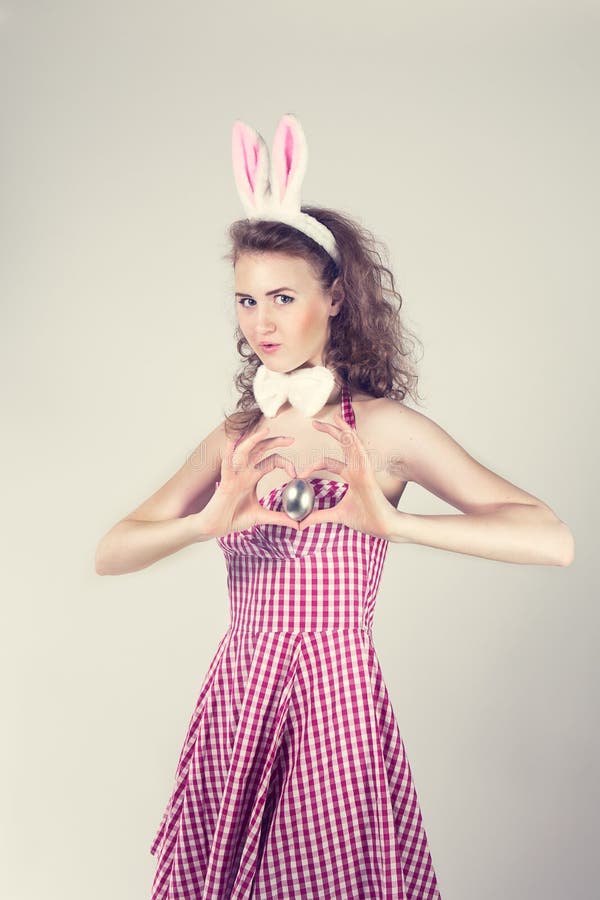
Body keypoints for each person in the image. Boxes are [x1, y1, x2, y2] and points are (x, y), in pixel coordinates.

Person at [95, 115, 574, 899]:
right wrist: (205, 523)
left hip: (334, 699)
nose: (263, 323)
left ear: (336, 297)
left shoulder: (383, 431)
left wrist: (395, 525)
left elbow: (552, 539)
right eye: (247, 301)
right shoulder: (238, 436)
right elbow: (112, 550)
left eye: (283, 296)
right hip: (239, 700)